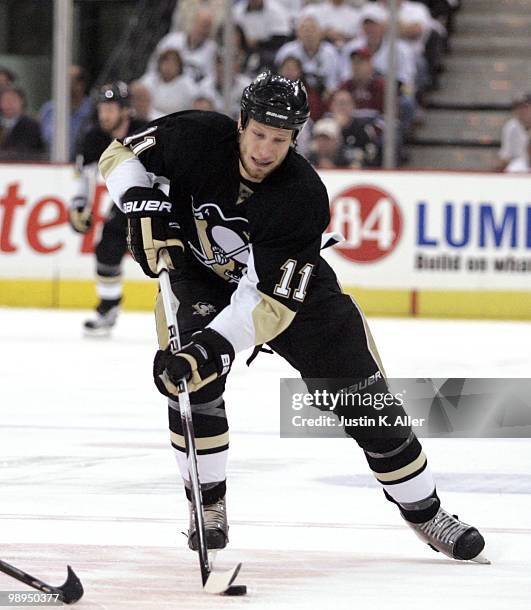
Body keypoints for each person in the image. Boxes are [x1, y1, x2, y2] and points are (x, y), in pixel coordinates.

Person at [99, 71, 488, 563]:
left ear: (295, 138)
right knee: (188, 386)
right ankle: (208, 507)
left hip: (293, 296)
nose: (265, 149)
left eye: (279, 139)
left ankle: (426, 512)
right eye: (258, 133)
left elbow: (267, 305)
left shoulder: (302, 196)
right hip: (197, 280)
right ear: (241, 123)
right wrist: (137, 200)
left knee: (367, 403)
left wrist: (210, 349)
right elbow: (119, 155)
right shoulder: (194, 134)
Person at [69, 82, 145, 335]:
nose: (105, 115)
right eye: (102, 108)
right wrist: (80, 205)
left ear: (125, 110)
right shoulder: (95, 137)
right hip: (130, 197)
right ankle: (109, 307)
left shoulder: (145, 131)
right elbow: (86, 176)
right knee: (108, 245)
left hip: (165, 196)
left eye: (111, 109)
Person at [39, 65, 93, 161]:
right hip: (51, 165)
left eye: (70, 80)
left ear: (81, 84)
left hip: (85, 165)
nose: (64, 84)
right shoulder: (49, 110)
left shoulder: (92, 110)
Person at [140, 49, 199, 118]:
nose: (169, 67)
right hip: (151, 120)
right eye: (166, 62)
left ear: (179, 67)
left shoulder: (187, 84)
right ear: (160, 64)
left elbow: (197, 103)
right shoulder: (150, 79)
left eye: (173, 64)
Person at [0, 86, 44, 160]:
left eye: (13, 100)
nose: (9, 104)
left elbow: (26, 150)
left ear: (22, 101)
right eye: (5, 100)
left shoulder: (31, 125)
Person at [496, 93, 531, 172]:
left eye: (525, 107)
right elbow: (506, 156)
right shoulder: (511, 127)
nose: (521, 111)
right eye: (517, 108)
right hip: (519, 168)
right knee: (515, 167)